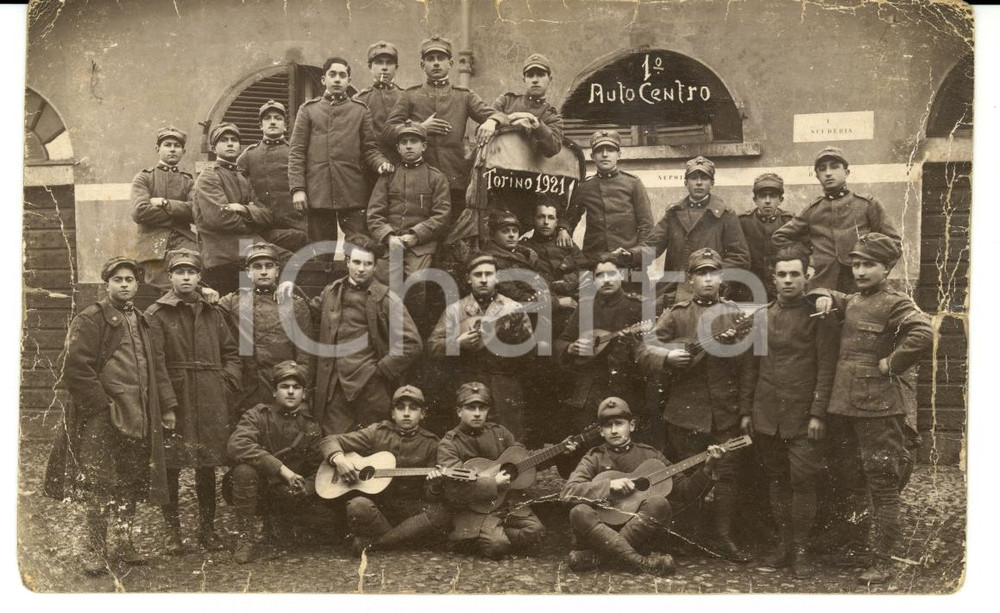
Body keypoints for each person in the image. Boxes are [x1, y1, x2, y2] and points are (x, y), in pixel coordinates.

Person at [809, 233, 932, 585]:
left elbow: (922, 332)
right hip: (846, 406)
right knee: (851, 480)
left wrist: (891, 363)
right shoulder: (856, 299)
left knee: (883, 485)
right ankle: (857, 548)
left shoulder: (896, 302)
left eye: (869, 265)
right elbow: (832, 294)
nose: (860, 271)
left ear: (887, 268)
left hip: (878, 408)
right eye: (857, 264)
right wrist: (821, 295)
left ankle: (883, 561)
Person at [43, 257, 169, 575]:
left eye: (129, 279)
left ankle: (123, 542)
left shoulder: (142, 320)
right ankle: (95, 550)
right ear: (106, 284)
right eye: (117, 280)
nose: (124, 284)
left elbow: (154, 366)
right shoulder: (91, 318)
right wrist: (102, 407)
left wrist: (162, 407)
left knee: (129, 482)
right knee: (99, 484)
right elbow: (75, 367)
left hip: (137, 415)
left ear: (137, 285)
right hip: (102, 416)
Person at [635, 248, 754, 562]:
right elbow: (644, 350)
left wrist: (744, 412)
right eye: (702, 273)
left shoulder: (733, 314)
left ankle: (724, 537)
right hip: (686, 412)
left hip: (725, 413)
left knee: (727, 475)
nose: (708, 279)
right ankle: (690, 537)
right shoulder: (677, 313)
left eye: (714, 273)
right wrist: (669, 355)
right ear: (690, 279)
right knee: (689, 476)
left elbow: (746, 368)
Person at [739, 246, 840, 577]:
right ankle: (784, 545)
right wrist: (747, 411)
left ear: (807, 277)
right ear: (773, 279)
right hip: (767, 415)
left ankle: (801, 551)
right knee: (777, 479)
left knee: (802, 481)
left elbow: (826, 368)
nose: (787, 280)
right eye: (781, 274)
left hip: (802, 416)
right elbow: (752, 368)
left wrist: (817, 414)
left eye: (794, 274)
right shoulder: (763, 316)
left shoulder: (818, 316)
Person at [561, 397, 725, 576]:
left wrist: (708, 466)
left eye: (619, 423)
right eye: (608, 426)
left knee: (658, 503)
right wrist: (608, 486)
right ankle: (642, 563)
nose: (614, 430)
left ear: (631, 426)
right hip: (602, 528)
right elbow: (568, 493)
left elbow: (685, 491)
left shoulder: (651, 455)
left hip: (638, 531)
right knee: (579, 512)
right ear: (600, 431)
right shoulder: (593, 457)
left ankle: (600, 557)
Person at [145, 248, 241, 553]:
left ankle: (207, 531)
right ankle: (172, 534)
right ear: (170, 276)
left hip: (211, 395)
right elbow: (156, 365)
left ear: (199, 277)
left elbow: (231, 353)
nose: (185, 277)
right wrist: (168, 406)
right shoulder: (157, 314)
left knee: (207, 465)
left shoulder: (213, 312)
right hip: (178, 397)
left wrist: (225, 385)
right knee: (171, 466)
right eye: (179, 272)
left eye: (191, 272)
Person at [306, 237, 423, 435]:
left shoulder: (386, 298)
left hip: (371, 387)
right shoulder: (331, 292)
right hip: (335, 388)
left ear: (375, 266)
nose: (361, 269)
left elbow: (412, 343)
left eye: (368, 263)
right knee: (334, 444)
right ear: (347, 262)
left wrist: (381, 371)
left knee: (375, 443)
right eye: (357, 262)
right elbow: (309, 310)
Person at [320, 384, 452, 555]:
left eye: (413, 408)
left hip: (410, 512)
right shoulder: (378, 432)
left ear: (422, 414)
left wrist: (434, 485)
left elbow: (430, 496)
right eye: (400, 408)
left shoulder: (433, 444)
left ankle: (377, 544)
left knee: (440, 515)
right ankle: (400, 541)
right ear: (392, 413)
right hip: (379, 509)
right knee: (357, 506)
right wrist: (339, 460)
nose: (406, 413)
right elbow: (329, 441)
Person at [385, 35, 505, 217]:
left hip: (455, 178)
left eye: (440, 58)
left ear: (450, 63)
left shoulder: (464, 96)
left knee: (453, 231)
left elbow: (500, 116)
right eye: (430, 59)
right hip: (419, 178)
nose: (436, 63)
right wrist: (420, 128)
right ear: (422, 65)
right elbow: (388, 130)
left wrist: (492, 121)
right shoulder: (410, 95)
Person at [554, 254, 646, 471]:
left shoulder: (637, 307)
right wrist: (570, 347)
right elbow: (562, 340)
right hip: (589, 387)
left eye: (611, 273)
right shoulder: (585, 307)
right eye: (600, 275)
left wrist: (632, 344)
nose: (606, 279)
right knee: (585, 445)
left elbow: (650, 349)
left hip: (626, 385)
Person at [226, 360, 325, 564]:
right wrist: (280, 469)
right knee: (243, 471)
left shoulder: (311, 426)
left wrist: (306, 486)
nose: (290, 392)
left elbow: (319, 468)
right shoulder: (258, 415)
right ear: (273, 392)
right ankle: (245, 538)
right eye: (284, 387)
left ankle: (279, 528)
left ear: (304, 394)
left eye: (296, 387)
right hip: (258, 488)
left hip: (288, 493)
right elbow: (237, 444)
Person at [288, 56, 393, 247]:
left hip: (352, 192)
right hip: (318, 192)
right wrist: (298, 189)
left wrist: (381, 163)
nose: (337, 79)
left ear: (349, 81)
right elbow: (296, 152)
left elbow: (370, 149)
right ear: (323, 80)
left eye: (342, 75)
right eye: (332, 74)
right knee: (320, 251)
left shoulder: (360, 110)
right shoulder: (308, 110)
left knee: (359, 248)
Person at [621, 155, 750, 310]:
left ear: (712, 183)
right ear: (686, 183)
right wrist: (631, 254)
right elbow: (652, 245)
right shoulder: (674, 213)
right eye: (693, 178)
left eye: (705, 178)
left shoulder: (725, 215)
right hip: (673, 288)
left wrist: (711, 275)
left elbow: (740, 257)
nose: (699, 183)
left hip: (710, 291)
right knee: (647, 316)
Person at [426, 253, 534, 438]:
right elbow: (432, 347)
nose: (484, 280)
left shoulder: (512, 307)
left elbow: (530, 352)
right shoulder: (455, 310)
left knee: (509, 438)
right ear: (468, 278)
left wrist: (515, 333)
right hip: (468, 382)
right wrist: (458, 343)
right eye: (478, 275)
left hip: (504, 384)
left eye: (489, 274)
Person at [436, 382, 547, 559]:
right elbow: (454, 487)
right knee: (497, 547)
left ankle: (489, 533)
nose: (478, 413)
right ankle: (470, 537)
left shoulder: (500, 432)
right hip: (473, 509)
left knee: (537, 532)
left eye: (482, 407)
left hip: (505, 504)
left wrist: (560, 450)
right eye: (471, 408)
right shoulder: (449, 443)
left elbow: (524, 459)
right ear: (459, 411)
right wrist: (492, 483)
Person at [772, 146, 901, 293]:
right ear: (817, 176)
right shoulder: (813, 209)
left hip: (861, 287)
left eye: (834, 167)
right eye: (822, 169)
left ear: (846, 172)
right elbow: (779, 237)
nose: (828, 173)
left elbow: (894, 244)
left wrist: (878, 273)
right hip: (823, 287)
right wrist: (809, 254)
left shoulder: (866, 204)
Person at [366, 119, 451, 336]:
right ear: (397, 148)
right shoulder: (388, 177)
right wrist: (388, 237)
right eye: (404, 142)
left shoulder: (436, 177)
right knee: (381, 283)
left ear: (424, 146)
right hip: (391, 243)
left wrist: (416, 235)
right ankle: (384, 336)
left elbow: (441, 215)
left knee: (415, 283)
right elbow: (374, 214)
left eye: (414, 141)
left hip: (420, 246)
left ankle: (413, 338)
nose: (409, 146)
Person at [217, 242, 314, 413]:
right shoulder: (233, 301)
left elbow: (304, 356)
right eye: (257, 266)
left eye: (269, 266)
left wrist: (300, 395)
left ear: (277, 270)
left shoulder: (294, 303)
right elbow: (208, 311)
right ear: (248, 271)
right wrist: (203, 291)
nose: (263, 271)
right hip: (247, 391)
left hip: (282, 389)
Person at [193, 122, 277, 295]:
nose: (230, 143)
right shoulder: (209, 177)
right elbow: (220, 218)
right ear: (214, 148)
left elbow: (267, 215)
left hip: (243, 248)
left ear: (240, 146)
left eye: (234, 140)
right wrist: (253, 219)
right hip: (222, 256)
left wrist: (243, 209)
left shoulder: (242, 177)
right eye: (224, 140)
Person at [560, 129, 653, 264]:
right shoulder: (585, 186)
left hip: (626, 258)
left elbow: (646, 226)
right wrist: (563, 229)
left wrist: (637, 255)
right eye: (599, 151)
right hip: (594, 259)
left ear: (619, 155)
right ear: (592, 156)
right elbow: (570, 218)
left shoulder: (633, 183)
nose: (604, 155)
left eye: (610, 150)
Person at [130, 126, 197, 294]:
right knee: (168, 291)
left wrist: (165, 204)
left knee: (192, 285)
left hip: (185, 241)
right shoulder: (144, 177)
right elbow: (140, 212)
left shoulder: (188, 181)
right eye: (168, 144)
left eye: (177, 145)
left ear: (183, 151)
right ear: (157, 149)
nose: (172, 149)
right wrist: (180, 213)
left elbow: (197, 212)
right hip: (153, 245)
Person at [236, 100, 308, 253]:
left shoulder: (295, 153)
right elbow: (237, 186)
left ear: (285, 126)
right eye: (268, 118)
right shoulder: (249, 155)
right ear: (261, 126)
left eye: (278, 118)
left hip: (295, 226)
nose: (273, 122)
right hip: (261, 228)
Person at [733, 173, 793, 302]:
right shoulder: (742, 222)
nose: (767, 200)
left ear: (781, 200)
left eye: (773, 196)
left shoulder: (790, 222)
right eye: (762, 196)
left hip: (779, 290)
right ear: (755, 199)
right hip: (748, 291)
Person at [491, 53, 563, 157]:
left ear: (549, 80)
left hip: (530, 171)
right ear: (524, 80)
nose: (535, 80)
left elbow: (553, 148)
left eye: (540, 74)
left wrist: (535, 122)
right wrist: (512, 120)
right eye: (530, 75)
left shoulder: (553, 117)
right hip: (498, 165)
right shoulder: (506, 101)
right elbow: (482, 129)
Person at [354, 40, 405, 159]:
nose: (384, 68)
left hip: (401, 164)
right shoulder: (359, 99)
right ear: (370, 67)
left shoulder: (405, 96)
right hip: (369, 167)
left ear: (396, 67)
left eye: (389, 63)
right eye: (379, 63)